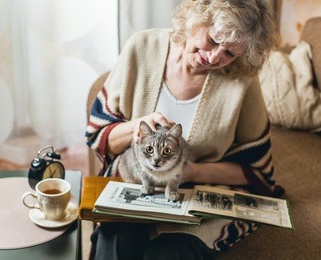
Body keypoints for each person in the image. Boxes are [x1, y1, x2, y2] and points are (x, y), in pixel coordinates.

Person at [86, 0, 285, 259]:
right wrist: (136, 126)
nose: (214, 58)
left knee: (171, 252)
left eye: (229, 53)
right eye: (213, 41)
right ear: (197, 18)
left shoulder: (241, 79)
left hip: (199, 196)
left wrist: (191, 171)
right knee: (115, 241)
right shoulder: (141, 48)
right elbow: (100, 135)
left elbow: (256, 171)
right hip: (138, 184)